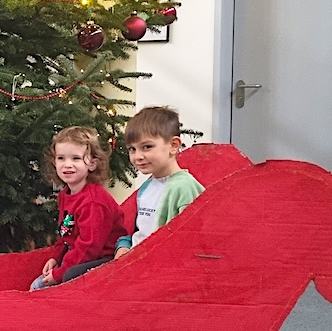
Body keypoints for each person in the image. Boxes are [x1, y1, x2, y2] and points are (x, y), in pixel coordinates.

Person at [30, 126, 126, 290]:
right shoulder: (65, 195)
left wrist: (60, 273)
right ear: (54, 162)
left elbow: (89, 247)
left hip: (104, 259)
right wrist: (55, 258)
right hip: (80, 256)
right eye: (61, 158)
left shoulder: (93, 202)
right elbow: (65, 233)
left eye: (75, 158)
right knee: (38, 284)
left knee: (53, 282)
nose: (67, 165)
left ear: (92, 164)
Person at [114, 106, 204, 258]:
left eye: (147, 147)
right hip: (133, 260)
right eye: (132, 149)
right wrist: (123, 246)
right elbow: (138, 230)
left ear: (174, 145)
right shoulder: (148, 185)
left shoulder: (184, 187)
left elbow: (189, 240)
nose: (137, 156)